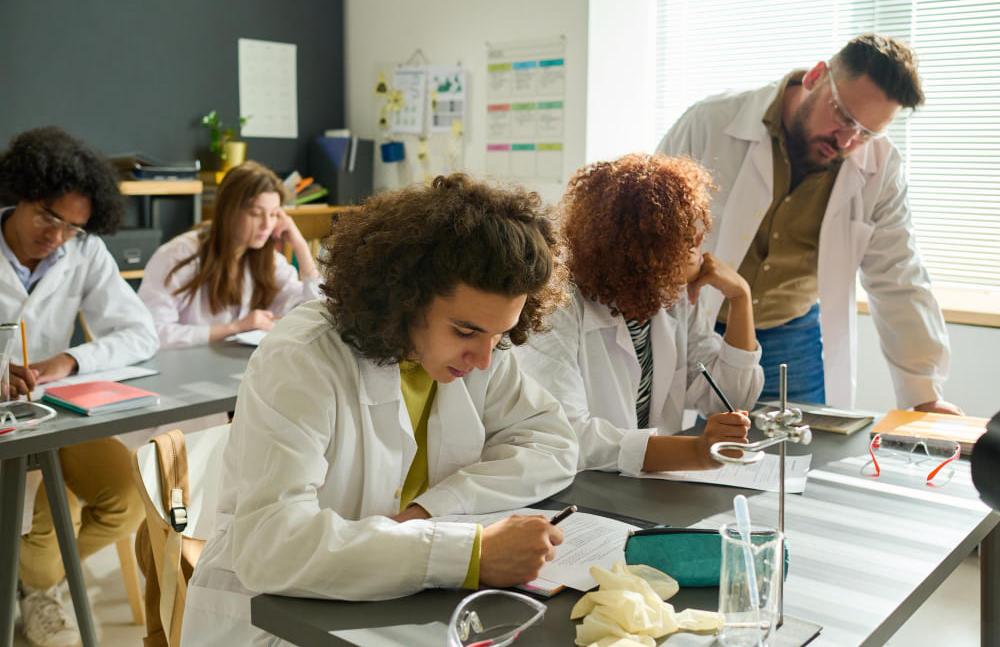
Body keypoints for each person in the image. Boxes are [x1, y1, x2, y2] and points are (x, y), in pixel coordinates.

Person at [180, 173, 579, 645]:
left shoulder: (481, 344)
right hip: (278, 620)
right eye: (466, 332)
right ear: (404, 298)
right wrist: (470, 553)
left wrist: (428, 511)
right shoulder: (303, 358)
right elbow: (271, 547)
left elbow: (552, 443)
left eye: (500, 334)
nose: (485, 359)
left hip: (398, 603)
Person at [657, 34, 958, 413]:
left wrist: (924, 394)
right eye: (844, 116)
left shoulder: (882, 167)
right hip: (698, 321)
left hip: (790, 335)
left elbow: (899, 277)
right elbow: (649, 221)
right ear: (816, 76)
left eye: (867, 132)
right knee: (692, 454)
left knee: (799, 456)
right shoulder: (712, 120)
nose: (847, 140)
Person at [0, 126, 158, 647]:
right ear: (22, 193)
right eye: (49, 216)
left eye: (72, 227)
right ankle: (41, 591)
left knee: (126, 498)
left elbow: (140, 332)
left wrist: (71, 358)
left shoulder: (83, 252)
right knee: (57, 512)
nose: (57, 236)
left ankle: (32, 584)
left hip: (48, 412)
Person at [516, 154, 762, 474]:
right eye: (686, 241)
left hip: (652, 483)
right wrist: (695, 452)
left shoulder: (669, 297)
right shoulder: (558, 307)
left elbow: (730, 397)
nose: (700, 249)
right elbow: (566, 435)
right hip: (580, 487)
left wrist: (741, 297)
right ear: (637, 252)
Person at [138, 160, 321, 348]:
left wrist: (300, 246)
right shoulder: (179, 255)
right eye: (256, 213)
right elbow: (153, 332)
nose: (267, 225)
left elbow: (315, 314)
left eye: (274, 214)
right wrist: (235, 327)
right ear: (229, 211)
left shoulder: (269, 261)